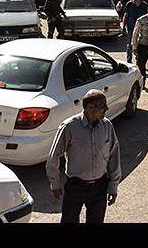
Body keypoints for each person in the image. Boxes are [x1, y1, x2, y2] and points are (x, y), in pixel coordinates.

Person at [46, 90, 121, 224]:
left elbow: (114, 155)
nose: (107, 109)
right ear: (90, 108)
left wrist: (113, 185)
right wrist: (55, 184)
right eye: (103, 106)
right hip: (76, 186)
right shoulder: (69, 127)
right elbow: (54, 156)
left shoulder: (107, 125)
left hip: (100, 186)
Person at [122, 0, 148, 65]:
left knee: (139, 45)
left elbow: (147, 16)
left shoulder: (145, 5)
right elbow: (126, 15)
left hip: (141, 29)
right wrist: (123, 26)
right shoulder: (129, 4)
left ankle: (138, 60)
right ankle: (129, 61)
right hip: (131, 27)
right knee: (130, 45)